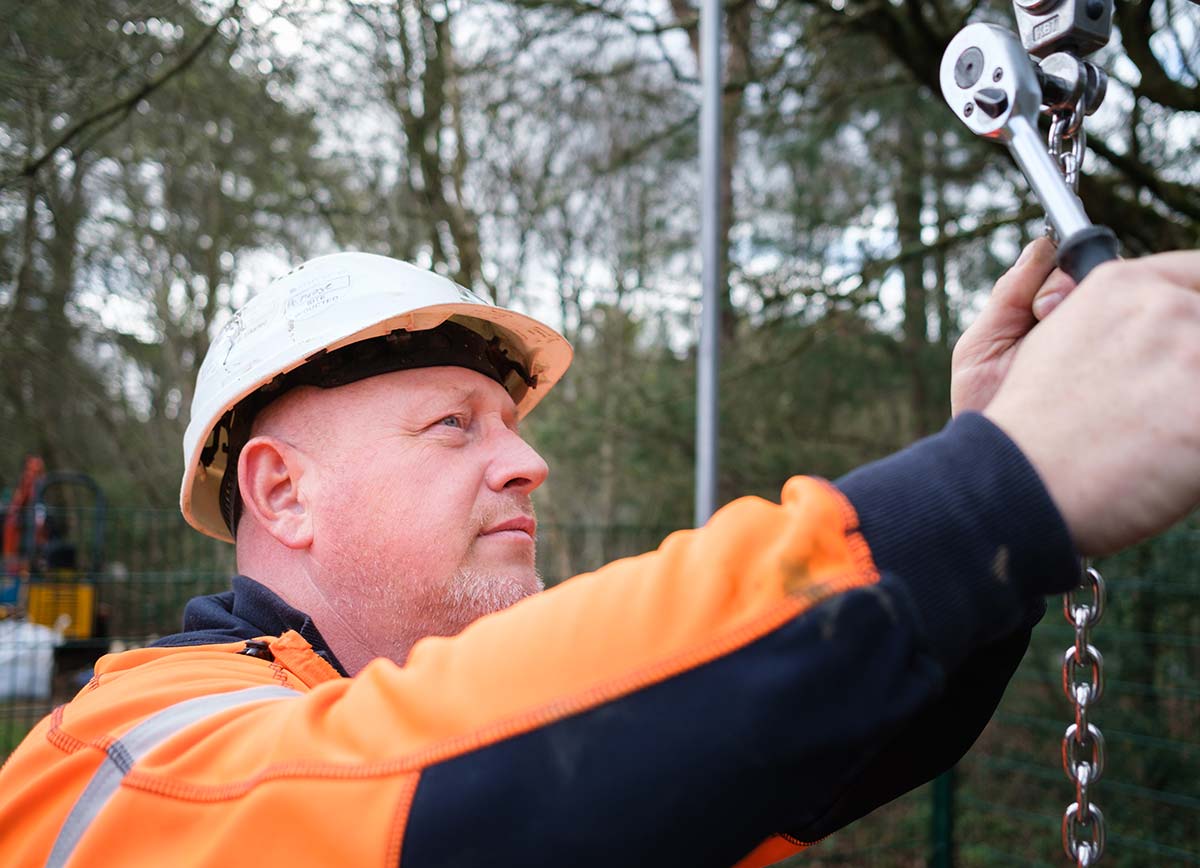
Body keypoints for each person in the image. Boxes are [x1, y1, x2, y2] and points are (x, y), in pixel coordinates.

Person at [1, 243, 1198, 867]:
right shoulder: (126, 758)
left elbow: (792, 756)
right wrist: (991, 488)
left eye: (515, 427)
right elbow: (426, 780)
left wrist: (1000, 492)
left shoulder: (379, 725)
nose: (528, 464)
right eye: (454, 423)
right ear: (282, 491)